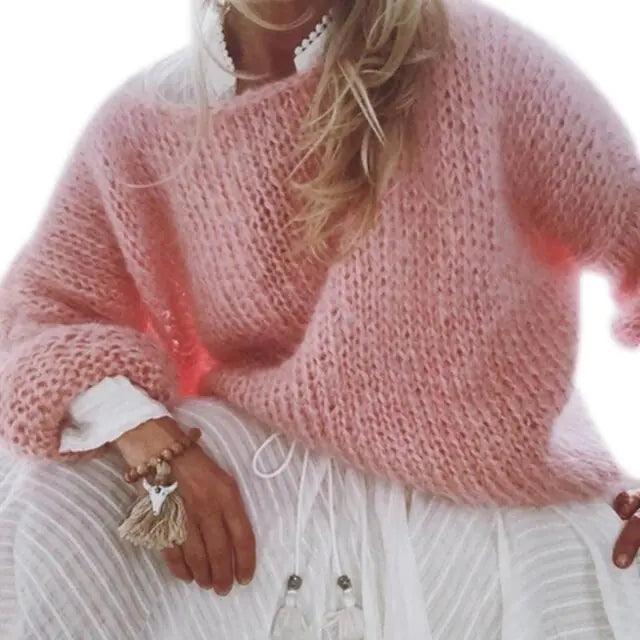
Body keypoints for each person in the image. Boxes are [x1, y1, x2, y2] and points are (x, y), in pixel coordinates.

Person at [1, 0, 640, 637]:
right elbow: (40, 317)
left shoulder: (474, 55)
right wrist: (150, 439)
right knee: (58, 485)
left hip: (487, 497)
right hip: (261, 490)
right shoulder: (144, 122)